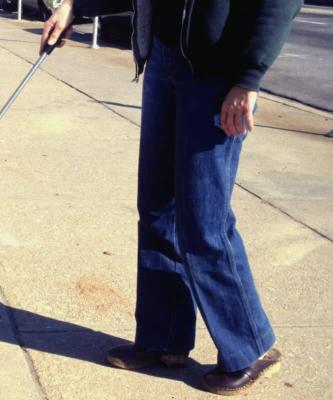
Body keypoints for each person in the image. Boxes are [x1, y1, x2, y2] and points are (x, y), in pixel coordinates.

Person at [40, 0, 301, 396]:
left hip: (217, 71)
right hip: (164, 58)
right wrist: (76, 6)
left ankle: (252, 347)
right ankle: (163, 339)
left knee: (204, 220)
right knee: (157, 210)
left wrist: (249, 78)